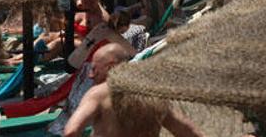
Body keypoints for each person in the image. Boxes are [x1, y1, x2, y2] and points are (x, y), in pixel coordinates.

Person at [63, 44, 204, 137]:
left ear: (111, 67)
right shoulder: (150, 92)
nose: (91, 75)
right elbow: (187, 130)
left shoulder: (99, 93)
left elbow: (71, 131)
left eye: (94, 69)